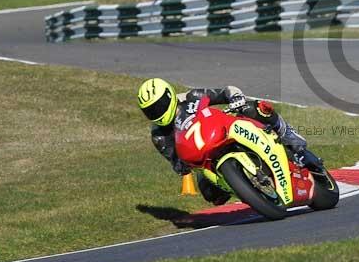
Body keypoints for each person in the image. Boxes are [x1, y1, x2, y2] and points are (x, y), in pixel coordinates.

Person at [137, 78, 319, 206]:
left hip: (222, 129)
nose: (156, 112)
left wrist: (235, 98)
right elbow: (176, 164)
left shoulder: (191, 97)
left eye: (159, 106)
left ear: (170, 96)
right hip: (206, 158)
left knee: (254, 108)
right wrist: (183, 166)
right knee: (209, 194)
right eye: (150, 111)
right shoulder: (159, 135)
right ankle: (245, 188)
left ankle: (293, 141)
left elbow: (225, 92)